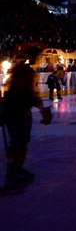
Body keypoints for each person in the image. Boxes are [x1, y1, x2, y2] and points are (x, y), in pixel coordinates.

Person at [1, 55, 52, 188]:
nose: (32, 80)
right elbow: (6, 107)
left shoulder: (25, 91)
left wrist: (44, 112)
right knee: (18, 146)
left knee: (21, 145)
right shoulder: (14, 92)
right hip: (15, 121)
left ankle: (17, 167)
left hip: (23, 120)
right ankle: (13, 171)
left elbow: (36, 101)